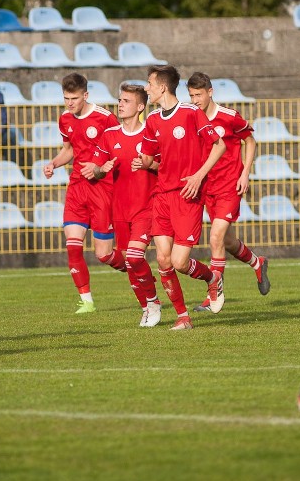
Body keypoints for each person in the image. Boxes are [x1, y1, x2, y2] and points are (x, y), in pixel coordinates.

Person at [139, 65, 226, 330]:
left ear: (163, 87)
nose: (147, 89)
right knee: (163, 261)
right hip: (162, 196)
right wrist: (143, 159)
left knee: (178, 262)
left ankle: (213, 278)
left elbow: (219, 145)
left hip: (187, 196)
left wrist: (199, 175)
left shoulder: (190, 113)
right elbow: (149, 158)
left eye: (150, 84)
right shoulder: (152, 120)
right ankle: (183, 317)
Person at [186, 72, 271, 314]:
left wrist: (245, 174)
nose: (195, 100)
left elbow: (251, 141)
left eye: (198, 95)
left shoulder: (229, 117)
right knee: (228, 241)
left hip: (229, 187)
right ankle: (258, 262)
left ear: (210, 92)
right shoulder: (193, 119)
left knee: (215, 239)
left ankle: (213, 295)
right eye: (191, 95)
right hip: (207, 189)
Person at [43, 72, 125, 314]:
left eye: (74, 98)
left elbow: (120, 150)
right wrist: (53, 164)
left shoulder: (105, 118)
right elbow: (69, 149)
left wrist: (100, 168)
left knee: (104, 255)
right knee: (73, 245)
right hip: (77, 188)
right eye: (66, 98)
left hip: (103, 189)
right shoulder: (65, 119)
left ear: (85, 95)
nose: (70, 103)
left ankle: (134, 267)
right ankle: (86, 300)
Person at [83, 83, 162, 327]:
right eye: (120, 100)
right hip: (120, 210)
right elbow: (94, 171)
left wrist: (149, 165)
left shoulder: (151, 134)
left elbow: (165, 166)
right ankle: (147, 306)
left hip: (146, 206)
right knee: (130, 262)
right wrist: (99, 169)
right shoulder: (110, 136)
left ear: (140, 106)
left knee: (136, 257)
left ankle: (154, 302)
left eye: (126, 101)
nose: (120, 104)